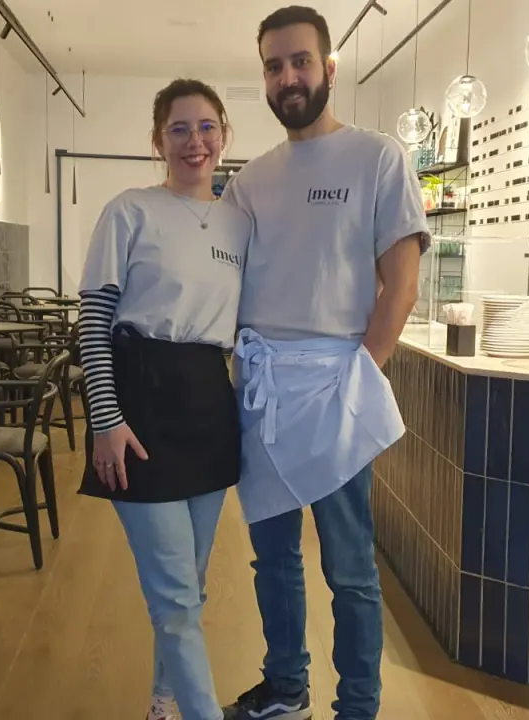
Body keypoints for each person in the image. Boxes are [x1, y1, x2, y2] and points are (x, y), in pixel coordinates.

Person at [218, 6, 429, 720]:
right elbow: (225, 283)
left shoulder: (377, 158)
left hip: (337, 381)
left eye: (300, 61)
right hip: (262, 389)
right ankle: (286, 690)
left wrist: (362, 373)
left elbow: (401, 285)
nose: (288, 77)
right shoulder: (250, 181)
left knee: (350, 566)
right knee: (272, 557)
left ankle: (358, 707)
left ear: (329, 68)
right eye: (274, 66)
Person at [75, 79, 250, 720]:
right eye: (178, 128)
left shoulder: (240, 223)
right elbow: (93, 322)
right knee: (173, 596)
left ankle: (163, 702)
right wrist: (105, 419)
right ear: (158, 140)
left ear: (223, 135)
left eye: (206, 127)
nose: (194, 141)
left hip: (209, 404)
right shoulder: (130, 210)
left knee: (190, 585)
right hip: (139, 405)